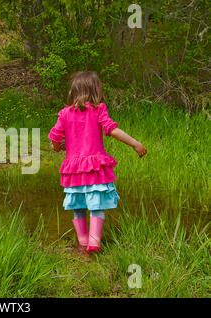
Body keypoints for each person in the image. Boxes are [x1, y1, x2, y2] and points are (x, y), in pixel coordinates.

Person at [49, 71, 147, 254]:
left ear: (74, 91)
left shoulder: (64, 114)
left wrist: (56, 147)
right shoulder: (99, 109)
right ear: (95, 90)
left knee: (78, 206)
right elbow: (112, 129)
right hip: (94, 168)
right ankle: (94, 242)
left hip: (74, 170)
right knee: (97, 205)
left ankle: (82, 242)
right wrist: (135, 143)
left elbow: (55, 136)